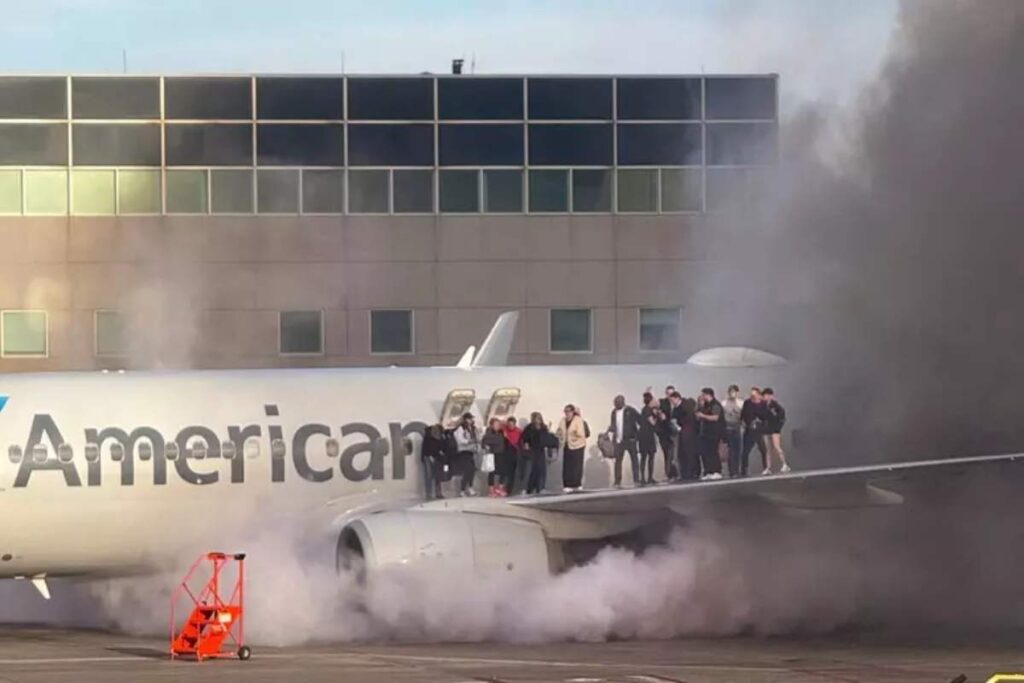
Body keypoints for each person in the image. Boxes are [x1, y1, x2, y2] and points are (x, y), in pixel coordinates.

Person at [606, 395, 642, 488]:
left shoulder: (630, 410)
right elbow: (613, 424)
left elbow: (640, 420)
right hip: (619, 440)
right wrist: (610, 431)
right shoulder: (614, 412)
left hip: (630, 439)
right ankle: (617, 481)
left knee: (634, 460)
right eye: (615, 403)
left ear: (622, 402)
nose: (616, 405)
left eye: (617, 403)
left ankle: (636, 480)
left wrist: (636, 435)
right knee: (618, 461)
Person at [695, 387, 724, 480]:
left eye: (704, 395)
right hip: (705, 433)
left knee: (713, 452)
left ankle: (717, 471)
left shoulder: (715, 405)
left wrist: (703, 416)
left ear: (708, 395)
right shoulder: (706, 405)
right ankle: (708, 471)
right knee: (706, 453)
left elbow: (715, 417)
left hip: (714, 433)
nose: (702, 397)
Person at [557, 404, 587, 492]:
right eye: (565, 411)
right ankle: (567, 484)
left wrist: (573, 435)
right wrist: (559, 434)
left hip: (578, 445)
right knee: (567, 465)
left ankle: (577, 483)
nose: (567, 413)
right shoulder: (562, 421)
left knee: (577, 465)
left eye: (569, 411)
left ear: (573, 412)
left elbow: (581, 433)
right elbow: (560, 430)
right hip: (567, 445)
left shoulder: (578, 420)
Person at [740, 387, 768, 476]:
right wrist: (746, 423)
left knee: (763, 450)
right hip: (749, 431)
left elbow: (766, 416)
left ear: (759, 395)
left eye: (754, 395)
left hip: (760, 431)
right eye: (751, 395)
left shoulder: (763, 404)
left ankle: (766, 468)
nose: (752, 397)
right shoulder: (747, 403)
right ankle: (744, 471)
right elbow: (743, 415)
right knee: (745, 452)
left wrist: (761, 422)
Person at [762, 388, 791, 474]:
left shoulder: (776, 406)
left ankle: (784, 464)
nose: (766, 397)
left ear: (771, 396)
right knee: (767, 449)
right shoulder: (763, 406)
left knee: (776, 446)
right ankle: (768, 467)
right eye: (765, 396)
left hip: (775, 429)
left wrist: (778, 427)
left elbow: (782, 418)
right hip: (766, 429)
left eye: (768, 395)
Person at [520, 412, 551, 494]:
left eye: (539, 418)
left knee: (541, 470)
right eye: (536, 418)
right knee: (528, 471)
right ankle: (525, 488)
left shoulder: (544, 428)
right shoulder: (529, 428)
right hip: (531, 451)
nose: (538, 420)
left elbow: (547, 438)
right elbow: (524, 438)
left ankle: (541, 488)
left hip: (540, 451)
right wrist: (526, 445)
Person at [452, 413, 479, 496]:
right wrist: (468, 441)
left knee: (472, 470)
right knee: (468, 470)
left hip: (471, 450)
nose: (471, 420)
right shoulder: (461, 428)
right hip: (463, 451)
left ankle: (470, 487)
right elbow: (459, 439)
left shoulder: (472, 428)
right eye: (470, 419)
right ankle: (462, 489)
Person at [656, 385, 679, 480]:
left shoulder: (677, 403)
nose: (670, 396)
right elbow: (657, 410)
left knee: (675, 454)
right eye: (668, 394)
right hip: (664, 433)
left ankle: (676, 473)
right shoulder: (662, 402)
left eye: (672, 394)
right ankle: (669, 474)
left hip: (676, 432)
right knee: (667, 454)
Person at [721, 384, 744, 478]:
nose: (732, 394)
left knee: (737, 450)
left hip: (737, 427)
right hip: (728, 428)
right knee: (730, 450)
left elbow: (743, 415)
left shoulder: (741, 403)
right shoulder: (724, 403)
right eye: (731, 392)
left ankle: (737, 469)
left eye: (734, 392)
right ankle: (732, 470)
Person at [481, 418, 508, 497]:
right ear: (492, 425)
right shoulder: (489, 433)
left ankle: (500, 487)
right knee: (492, 472)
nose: (497, 426)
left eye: (498, 424)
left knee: (503, 471)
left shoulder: (501, 433)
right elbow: (484, 443)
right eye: (496, 424)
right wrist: (487, 447)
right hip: (492, 454)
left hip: (501, 453)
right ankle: (491, 489)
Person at [421, 423, 447, 499]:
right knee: (429, 475)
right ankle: (429, 493)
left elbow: (441, 447)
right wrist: (430, 456)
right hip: (428, 457)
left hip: (436, 457)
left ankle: (437, 492)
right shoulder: (428, 437)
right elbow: (426, 449)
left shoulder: (440, 437)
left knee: (437, 475)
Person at [639, 393, 659, 485]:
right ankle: (645, 478)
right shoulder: (647, 410)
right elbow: (652, 422)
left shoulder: (646, 409)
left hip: (646, 435)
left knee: (647, 457)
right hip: (646, 436)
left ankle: (647, 477)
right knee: (647, 457)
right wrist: (657, 416)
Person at [503, 416, 524, 494]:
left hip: (515, 452)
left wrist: (507, 437)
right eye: (509, 425)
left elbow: (516, 442)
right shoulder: (505, 429)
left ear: (515, 424)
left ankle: (509, 490)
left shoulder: (518, 431)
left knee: (512, 473)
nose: (510, 426)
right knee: (506, 472)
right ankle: (503, 488)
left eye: (512, 425)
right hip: (506, 453)